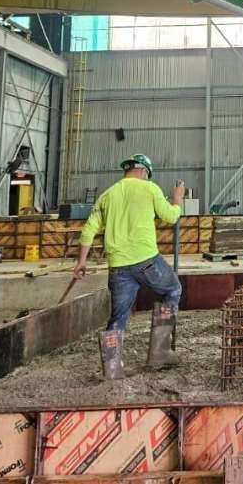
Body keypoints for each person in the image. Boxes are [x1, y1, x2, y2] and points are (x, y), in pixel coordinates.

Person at [73, 154, 185, 371]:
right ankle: (160, 353)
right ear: (144, 171)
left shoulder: (107, 196)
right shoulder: (149, 188)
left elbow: (88, 230)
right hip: (147, 261)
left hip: (118, 267)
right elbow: (171, 217)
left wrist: (81, 262)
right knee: (172, 290)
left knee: (118, 318)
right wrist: (177, 199)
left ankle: (112, 367)